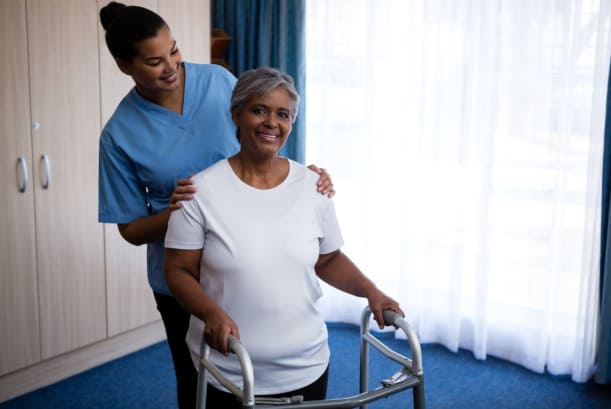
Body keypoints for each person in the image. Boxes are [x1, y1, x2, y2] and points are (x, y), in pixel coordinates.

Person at [97, 4, 334, 409]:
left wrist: (302, 176)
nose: (171, 66)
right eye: (154, 61)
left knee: (267, 378)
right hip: (185, 275)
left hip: (254, 259)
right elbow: (130, 230)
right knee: (199, 384)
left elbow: (268, 139)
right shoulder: (119, 133)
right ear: (124, 66)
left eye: (174, 50)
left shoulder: (220, 81)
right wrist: (183, 211)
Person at [164, 67, 403, 408]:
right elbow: (178, 270)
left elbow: (329, 259)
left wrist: (371, 291)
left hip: (305, 363)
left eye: (283, 114)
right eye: (258, 110)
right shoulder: (199, 191)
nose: (271, 122)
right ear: (237, 114)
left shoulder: (313, 187)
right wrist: (211, 313)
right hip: (230, 365)